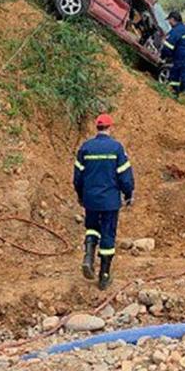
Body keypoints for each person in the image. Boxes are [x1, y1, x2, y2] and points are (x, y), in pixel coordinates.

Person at [73, 113, 135, 290]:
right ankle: (104, 275)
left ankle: (88, 257)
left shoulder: (86, 148)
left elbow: (77, 178)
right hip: (110, 200)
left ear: (97, 127)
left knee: (92, 227)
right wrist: (128, 194)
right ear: (110, 127)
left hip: (90, 198)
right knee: (108, 233)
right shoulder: (116, 148)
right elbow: (125, 177)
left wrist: (81, 195)